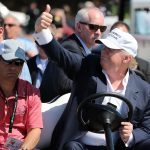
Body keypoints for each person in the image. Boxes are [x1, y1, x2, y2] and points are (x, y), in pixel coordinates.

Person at [33, 4, 150, 150]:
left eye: (110, 50)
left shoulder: (143, 89)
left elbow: (147, 129)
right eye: (104, 46)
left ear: (126, 59)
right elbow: (61, 56)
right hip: (80, 144)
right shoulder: (88, 66)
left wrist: (131, 135)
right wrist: (41, 31)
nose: (103, 51)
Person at [0, 39, 43, 149]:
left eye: (18, 63)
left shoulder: (32, 93)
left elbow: (35, 130)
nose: (13, 67)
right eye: (8, 61)